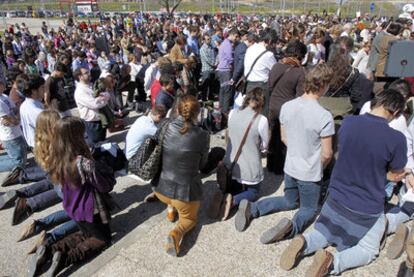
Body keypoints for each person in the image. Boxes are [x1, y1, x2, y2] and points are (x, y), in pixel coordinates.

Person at [280, 89, 408, 276]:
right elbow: (396, 174)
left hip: (336, 197)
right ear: (396, 112)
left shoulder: (348, 123)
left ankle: (305, 243)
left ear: (376, 102)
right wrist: (386, 175)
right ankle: (332, 263)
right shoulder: (396, 139)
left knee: (324, 233)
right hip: (366, 206)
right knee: (368, 250)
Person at [234, 65, 335, 246]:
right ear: (324, 86)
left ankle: (254, 208)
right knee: (309, 209)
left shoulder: (287, 106)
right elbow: (327, 153)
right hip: (309, 171)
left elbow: (284, 138)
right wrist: (316, 166)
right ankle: (291, 228)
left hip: (291, 166)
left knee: (289, 200)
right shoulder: (325, 116)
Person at [28, 116, 116, 277]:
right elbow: (103, 185)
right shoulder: (82, 162)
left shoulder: (55, 156)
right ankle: (65, 259)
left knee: (86, 234)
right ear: (77, 137)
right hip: (89, 208)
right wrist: (109, 175)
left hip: (71, 206)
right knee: (102, 239)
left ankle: (50, 250)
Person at [154, 95, 209, 256]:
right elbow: (202, 165)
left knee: (173, 200)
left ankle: (170, 210)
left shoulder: (165, 125)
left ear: (177, 109)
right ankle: (176, 233)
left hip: (160, 188)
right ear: (197, 113)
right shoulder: (203, 135)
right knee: (189, 220)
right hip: (184, 195)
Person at [212, 88, 269, 221]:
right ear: (261, 103)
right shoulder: (262, 120)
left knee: (235, 185)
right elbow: (265, 146)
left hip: (231, 164)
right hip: (249, 166)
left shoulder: (232, 112)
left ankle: (225, 195)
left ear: (246, 99)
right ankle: (233, 202)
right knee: (254, 192)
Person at [267, 39, 307, 175]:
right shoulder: (300, 71)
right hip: (287, 108)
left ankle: (270, 164)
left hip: (272, 104)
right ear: (300, 55)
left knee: (273, 135)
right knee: (283, 139)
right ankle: (279, 168)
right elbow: (300, 95)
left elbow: (270, 85)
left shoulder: (276, 66)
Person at [244, 28, 277, 116]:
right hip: (262, 87)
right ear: (269, 41)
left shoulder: (249, 49)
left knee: (250, 113)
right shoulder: (268, 54)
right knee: (262, 115)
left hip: (249, 85)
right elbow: (275, 70)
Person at [74, 67, 110, 146]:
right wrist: (104, 100)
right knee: (96, 145)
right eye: (86, 73)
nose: (89, 74)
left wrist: (103, 99)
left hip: (99, 118)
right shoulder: (80, 91)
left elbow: (106, 94)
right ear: (80, 77)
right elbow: (94, 104)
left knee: (102, 142)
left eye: (88, 72)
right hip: (92, 122)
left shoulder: (91, 85)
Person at [0, 79, 27, 177]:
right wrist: (15, 120)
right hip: (9, 135)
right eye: (1, 84)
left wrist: (16, 119)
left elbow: (16, 110)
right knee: (18, 162)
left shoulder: (4, 96)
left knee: (22, 157)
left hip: (16, 131)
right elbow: (8, 118)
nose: (3, 85)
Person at [216, 29, 239, 114]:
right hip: (226, 70)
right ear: (232, 35)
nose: (236, 38)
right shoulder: (228, 44)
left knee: (222, 90)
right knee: (227, 91)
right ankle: (225, 112)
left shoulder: (224, 43)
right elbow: (230, 59)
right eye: (235, 36)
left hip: (222, 70)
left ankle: (220, 110)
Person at [199, 34, 218, 102]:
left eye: (210, 39)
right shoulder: (202, 49)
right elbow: (207, 59)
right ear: (204, 40)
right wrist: (214, 64)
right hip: (206, 69)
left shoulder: (211, 47)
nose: (209, 40)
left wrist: (216, 63)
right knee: (205, 85)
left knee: (212, 85)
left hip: (213, 69)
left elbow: (216, 55)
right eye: (207, 39)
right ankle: (204, 99)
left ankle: (210, 98)